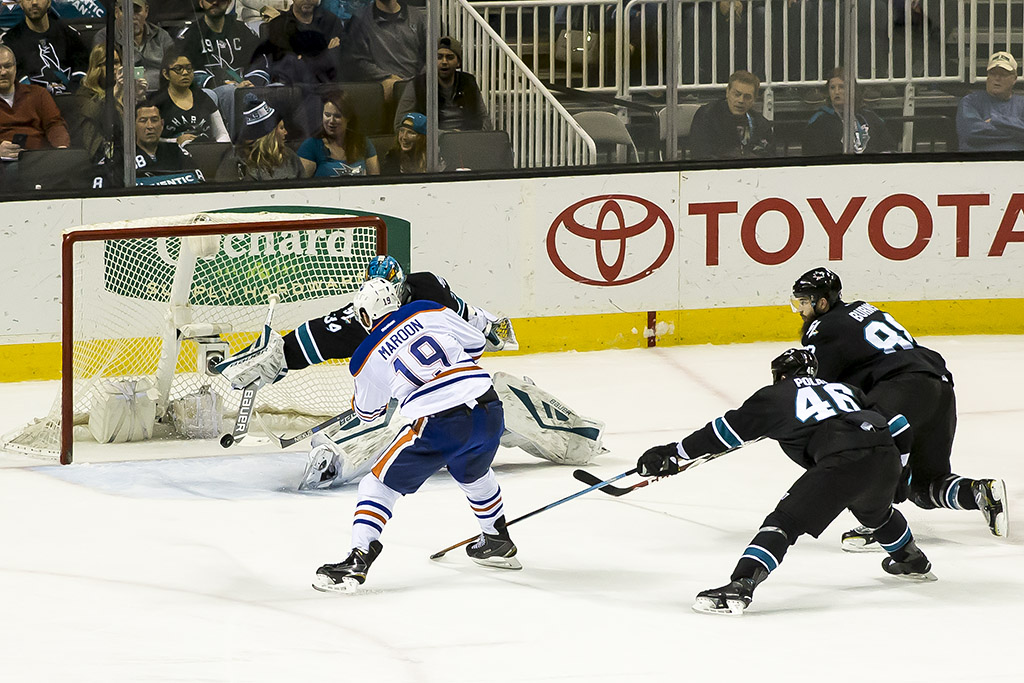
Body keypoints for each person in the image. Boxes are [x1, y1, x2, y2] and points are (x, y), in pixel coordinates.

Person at [637, 348, 935, 615]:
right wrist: (902, 473)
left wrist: (672, 453)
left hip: (842, 461)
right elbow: (900, 426)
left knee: (783, 522)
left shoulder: (774, 396)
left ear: (780, 376)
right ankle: (911, 559)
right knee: (876, 515)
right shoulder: (845, 390)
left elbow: (721, 433)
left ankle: (740, 585)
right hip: (885, 456)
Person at [791, 267, 1008, 548]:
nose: (800, 310)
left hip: (902, 387)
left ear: (822, 302)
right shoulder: (862, 309)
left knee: (866, 451)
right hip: (938, 384)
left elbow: (820, 386)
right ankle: (979, 492)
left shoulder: (822, 329)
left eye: (804, 302)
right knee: (925, 486)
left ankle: (877, 522)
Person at [177, 0, 271, 138]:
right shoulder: (190, 34)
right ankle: (235, 144)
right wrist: (225, 84)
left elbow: (260, 61)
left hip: (245, 86)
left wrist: (253, 82)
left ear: (227, 3)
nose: (215, 2)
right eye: (209, 0)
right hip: (209, 91)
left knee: (278, 88)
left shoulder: (242, 29)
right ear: (201, 3)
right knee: (229, 92)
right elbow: (186, 71)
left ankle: (269, 145)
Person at [393, 36, 488, 132]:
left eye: (450, 57)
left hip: (467, 140)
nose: (444, 62)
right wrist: (446, 135)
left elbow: (484, 118)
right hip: (429, 143)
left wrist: (474, 136)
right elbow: (400, 124)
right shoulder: (417, 85)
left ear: (458, 62)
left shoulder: (469, 82)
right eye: (439, 57)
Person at [344, 0, 427, 103]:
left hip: (417, 91)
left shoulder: (418, 18)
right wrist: (386, 78)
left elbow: (430, 57)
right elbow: (356, 60)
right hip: (379, 92)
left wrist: (416, 83)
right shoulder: (360, 20)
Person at [1, 0, 88, 95]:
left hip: (72, 102)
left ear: (49, 2)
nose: (34, 2)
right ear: (21, 4)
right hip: (31, 104)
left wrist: (72, 92)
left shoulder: (70, 34)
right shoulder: (9, 41)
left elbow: (83, 69)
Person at [76, 44, 147, 161]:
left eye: (116, 62)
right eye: (107, 63)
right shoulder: (84, 93)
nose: (113, 67)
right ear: (96, 67)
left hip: (133, 149)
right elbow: (93, 114)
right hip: (102, 150)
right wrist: (115, 93)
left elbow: (142, 123)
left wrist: (139, 97)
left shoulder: (127, 89)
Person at [802, 67, 896, 155]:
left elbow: (888, 148)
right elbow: (811, 154)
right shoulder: (819, 121)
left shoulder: (870, 117)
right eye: (832, 88)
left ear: (852, 89)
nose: (837, 92)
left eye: (841, 87)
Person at [0, 43, 69, 161]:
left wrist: (61, 149)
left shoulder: (38, 94)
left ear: (15, 68)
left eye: (8, 66)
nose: (3, 72)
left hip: (38, 162)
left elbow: (55, 125)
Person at [91, 0, 174, 94]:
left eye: (136, 11)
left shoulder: (162, 36)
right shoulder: (105, 37)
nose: (130, 16)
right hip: (122, 97)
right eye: (125, 11)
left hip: (161, 96)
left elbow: (175, 68)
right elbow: (101, 76)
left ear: (146, 11)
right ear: (116, 12)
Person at [255, 0, 347, 85]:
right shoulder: (278, 26)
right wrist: (325, 55)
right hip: (291, 91)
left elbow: (340, 64)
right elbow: (286, 70)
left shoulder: (332, 22)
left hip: (327, 89)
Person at [689, 70, 774, 160]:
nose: (741, 100)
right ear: (727, 92)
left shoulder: (761, 124)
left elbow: (770, 157)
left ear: (754, 99)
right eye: (737, 94)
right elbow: (701, 155)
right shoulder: (707, 116)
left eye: (747, 97)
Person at [151, 51, 231, 146]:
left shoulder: (203, 97)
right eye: (178, 69)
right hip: (171, 154)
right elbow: (148, 139)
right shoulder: (156, 101)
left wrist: (216, 149)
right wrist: (175, 141)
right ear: (166, 74)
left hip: (206, 153)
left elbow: (222, 133)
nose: (185, 73)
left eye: (189, 68)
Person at [297, 88, 379, 177]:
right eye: (327, 115)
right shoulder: (310, 146)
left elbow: (375, 180)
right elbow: (301, 187)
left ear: (348, 118)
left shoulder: (363, 142)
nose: (331, 121)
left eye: (337, 116)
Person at [956, 51, 1024, 152]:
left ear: (1014, 79)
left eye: (1003, 74)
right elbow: (971, 133)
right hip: (977, 163)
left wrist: (995, 120)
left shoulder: (1022, 103)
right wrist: (1016, 132)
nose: (997, 78)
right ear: (988, 77)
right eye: (993, 74)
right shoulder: (969, 101)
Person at [234, 90, 303, 180]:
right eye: (281, 128)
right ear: (268, 135)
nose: (286, 132)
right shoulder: (245, 164)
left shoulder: (290, 157)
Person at [132, 100, 202, 181]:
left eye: (154, 120)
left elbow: (198, 181)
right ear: (133, 126)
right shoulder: (125, 157)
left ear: (162, 124)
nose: (150, 126)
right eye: (143, 121)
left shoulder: (175, 151)